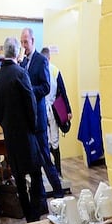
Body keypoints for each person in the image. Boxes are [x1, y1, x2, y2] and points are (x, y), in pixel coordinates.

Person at [0, 37, 45, 222]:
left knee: (20, 181)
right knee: (36, 173)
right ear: (17, 52)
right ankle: (36, 216)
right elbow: (31, 105)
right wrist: (32, 128)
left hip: (10, 136)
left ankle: (27, 217)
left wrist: (6, 125)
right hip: (27, 135)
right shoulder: (21, 73)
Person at [19, 28, 65, 199]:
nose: (24, 45)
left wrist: (29, 90)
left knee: (45, 158)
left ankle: (59, 193)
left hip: (38, 120)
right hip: (27, 121)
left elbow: (46, 87)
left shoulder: (40, 61)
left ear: (33, 40)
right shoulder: (23, 63)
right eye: (22, 42)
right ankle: (42, 201)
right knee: (33, 163)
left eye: (26, 41)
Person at [41, 47, 72, 179]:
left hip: (48, 110)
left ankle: (54, 172)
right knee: (50, 141)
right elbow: (62, 91)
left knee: (51, 140)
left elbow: (62, 91)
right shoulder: (49, 70)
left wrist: (68, 110)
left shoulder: (51, 70)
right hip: (47, 109)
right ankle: (54, 172)